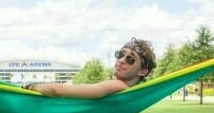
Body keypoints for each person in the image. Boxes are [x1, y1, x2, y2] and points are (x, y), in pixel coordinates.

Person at [24, 38, 156, 99]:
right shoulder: (127, 91)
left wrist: (30, 86)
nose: (121, 60)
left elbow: (57, 91)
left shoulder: (118, 85)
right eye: (120, 54)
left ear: (142, 71)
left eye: (130, 59)